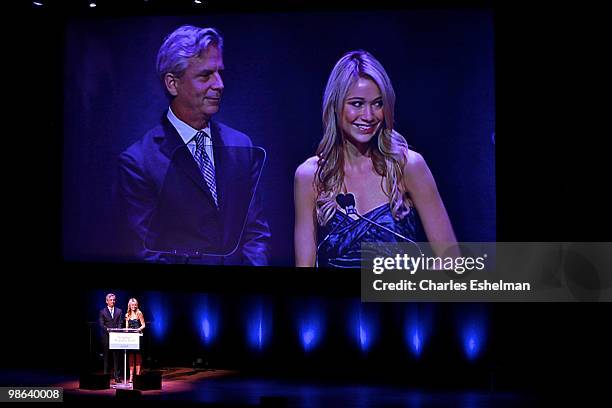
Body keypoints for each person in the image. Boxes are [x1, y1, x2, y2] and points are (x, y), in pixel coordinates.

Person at [117, 25, 270, 265]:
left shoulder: (241, 146)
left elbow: (256, 233)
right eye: (205, 75)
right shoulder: (139, 162)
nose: (219, 84)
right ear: (172, 84)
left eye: (220, 73)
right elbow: (145, 253)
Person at [294, 50, 457, 268]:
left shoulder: (408, 166)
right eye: (357, 104)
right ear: (335, 106)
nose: (369, 116)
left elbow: (451, 261)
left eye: (378, 103)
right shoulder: (310, 176)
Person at [98, 293, 123, 382]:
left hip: (116, 337)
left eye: (114, 300)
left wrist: (118, 330)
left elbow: (120, 322)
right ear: (107, 301)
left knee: (116, 357)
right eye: (111, 300)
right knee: (106, 357)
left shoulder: (119, 311)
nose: (113, 301)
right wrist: (108, 330)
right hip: (106, 337)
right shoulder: (102, 311)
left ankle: (117, 376)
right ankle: (105, 376)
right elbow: (101, 324)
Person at [125, 298, 146, 383]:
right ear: (129, 305)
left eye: (135, 305)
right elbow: (126, 328)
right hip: (130, 338)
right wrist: (126, 332)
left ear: (136, 305)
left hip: (138, 337)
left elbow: (143, 325)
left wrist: (138, 330)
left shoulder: (139, 313)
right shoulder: (127, 314)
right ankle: (131, 377)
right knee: (130, 357)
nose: (133, 306)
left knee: (137, 356)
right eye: (132, 305)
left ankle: (137, 376)